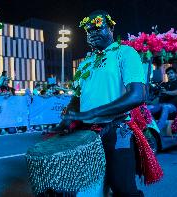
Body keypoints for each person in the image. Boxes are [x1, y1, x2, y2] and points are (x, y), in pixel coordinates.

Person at [55, 10, 162, 196]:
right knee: (85, 189)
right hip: (86, 133)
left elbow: (138, 95)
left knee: (123, 189)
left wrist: (89, 113)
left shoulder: (125, 53)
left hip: (117, 130)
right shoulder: (85, 63)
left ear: (111, 27)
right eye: (88, 31)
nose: (92, 33)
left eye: (98, 28)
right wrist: (68, 117)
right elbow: (77, 98)